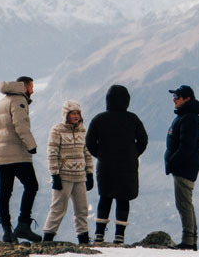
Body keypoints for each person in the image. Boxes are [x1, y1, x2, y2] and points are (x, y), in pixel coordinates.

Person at [85, 84, 149, 245]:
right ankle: (119, 236)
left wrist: (100, 155)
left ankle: (99, 234)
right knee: (123, 199)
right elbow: (143, 140)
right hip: (127, 166)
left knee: (105, 197)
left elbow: (90, 142)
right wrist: (133, 154)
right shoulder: (133, 119)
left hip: (106, 165)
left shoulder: (99, 119)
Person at [0, 76, 40, 242]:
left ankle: (7, 231)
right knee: (31, 186)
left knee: (5, 191)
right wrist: (31, 145)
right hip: (17, 153)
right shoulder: (19, 101)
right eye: (31, 87)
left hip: (1, 154)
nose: (32, 90)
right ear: (24, 87)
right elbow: (21, 125)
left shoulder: (1, 102)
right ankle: (23, 225)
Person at [42, 100, 93, 244]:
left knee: (82, 209)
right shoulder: (57, 130)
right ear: (66, 115)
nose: (76, 116)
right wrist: (55, 174)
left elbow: (87, 152)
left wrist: (90, 173)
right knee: (58, 208)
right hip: (63, 176)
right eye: (72, 113)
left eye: (78, 113)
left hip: (80, 177)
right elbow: (52, 152)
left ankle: (83, 239)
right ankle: (47, 238)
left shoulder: (83, 131)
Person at [165, 84, 199, 251]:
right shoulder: (187, 116)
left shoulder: (189, 118)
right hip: (184, 167)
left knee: (183, 204)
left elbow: (186, 146)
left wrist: (172, 162)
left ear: (187, 99)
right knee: (185, 203)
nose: (174, 100)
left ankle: (188, 241)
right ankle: (190, 239)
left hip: (184, 168)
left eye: (177, 97)